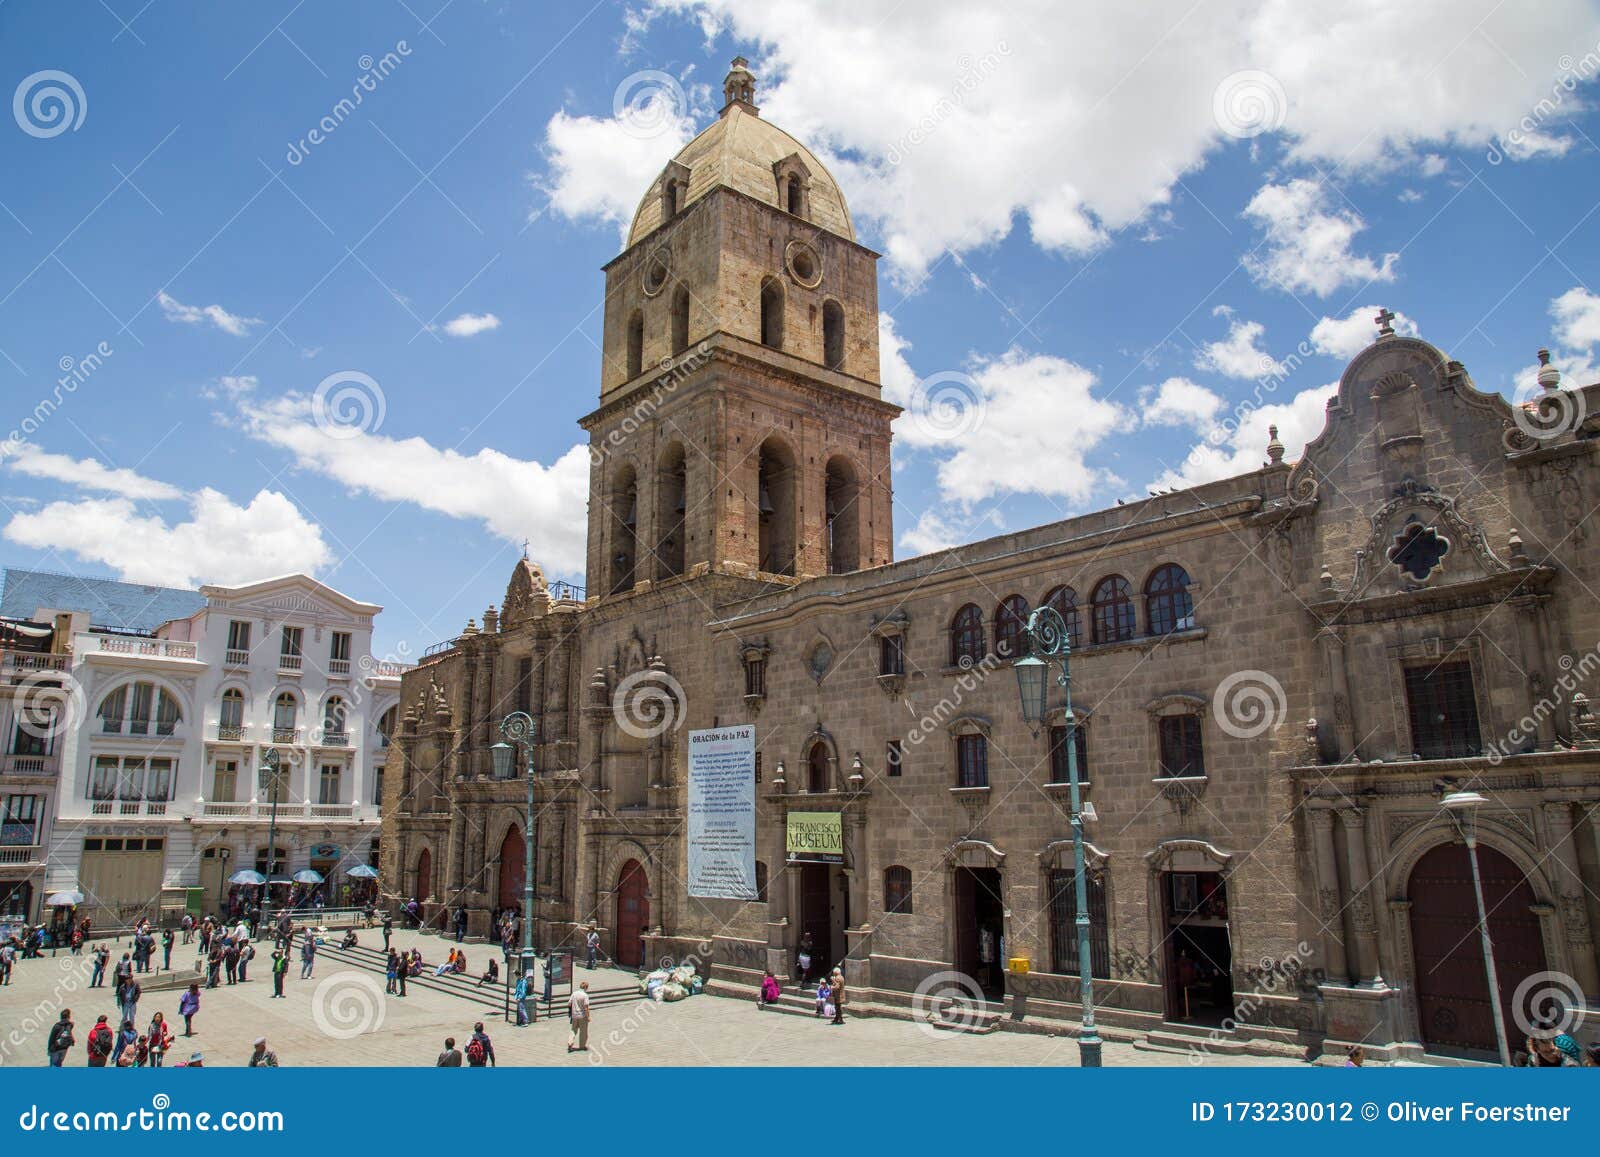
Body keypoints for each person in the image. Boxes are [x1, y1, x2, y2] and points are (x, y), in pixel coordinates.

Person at [567, 980, 591, 1052]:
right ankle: (582, 1046)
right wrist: (588, 1016)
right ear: (586, 987)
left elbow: (569, 1003)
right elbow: (586, 1007)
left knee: (573, 1030)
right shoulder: (585, 995)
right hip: (582, 1016)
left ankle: (570, 1042)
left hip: (574, 1015)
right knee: (583, 1032)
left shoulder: (574, 993)